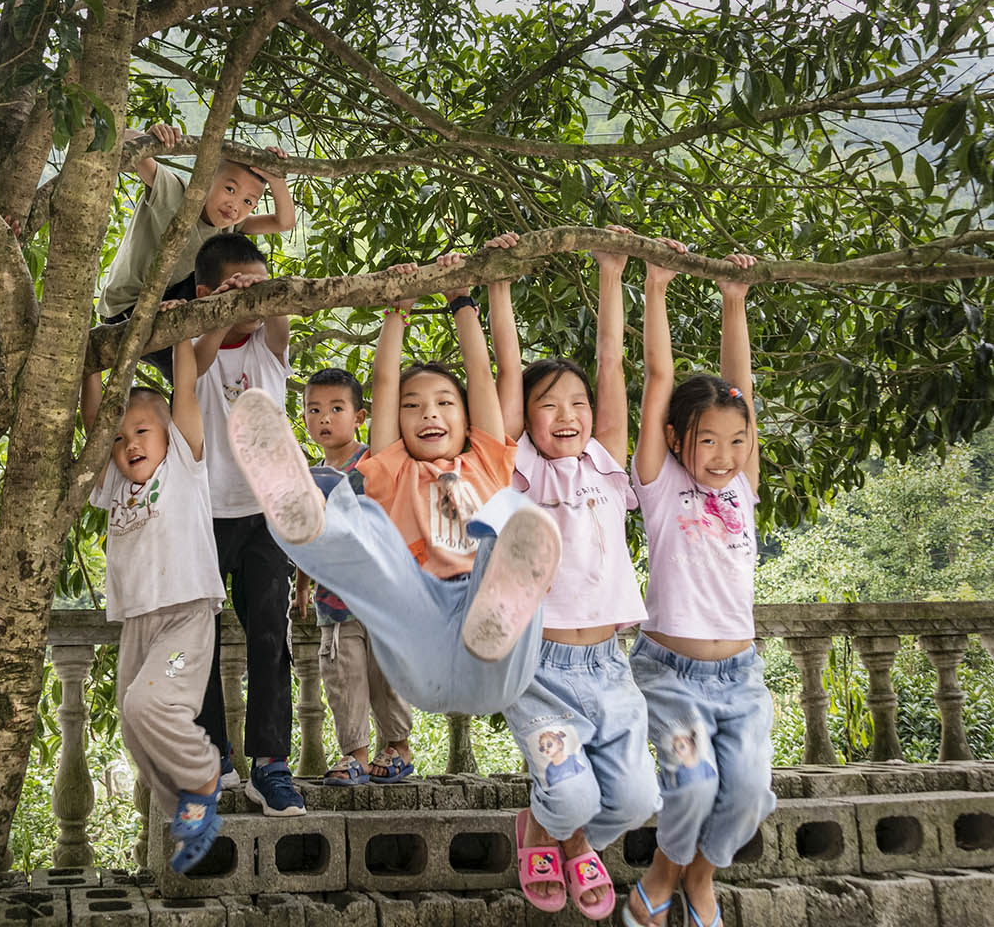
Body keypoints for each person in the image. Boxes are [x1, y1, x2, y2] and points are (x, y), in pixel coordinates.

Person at [223, 244, 561, 721]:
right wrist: (396, 309)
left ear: (468, 419)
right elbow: (384, 381)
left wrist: (462, 300)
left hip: (495, 650)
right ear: (395, 423)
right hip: (418, 623)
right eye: (412, 405)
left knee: (512, 512)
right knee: (361, 519)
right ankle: (306, 510)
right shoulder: (392, 467)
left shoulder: (486, 460)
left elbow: (483, 373)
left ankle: (499, 598)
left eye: (445, 402)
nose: (429, 412)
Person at [488, 227, 675, 920]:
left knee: (634, 801)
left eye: (576, 404)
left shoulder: (606, 460)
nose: (567, 414)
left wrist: (617, 273)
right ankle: (551, 827)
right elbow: (509, 373)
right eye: (548, 404)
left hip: (609, 666)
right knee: (571, 794)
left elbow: (612, 364)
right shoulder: (520, 470)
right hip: (538, 668)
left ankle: (556, 839)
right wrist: (498, 283)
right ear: (527, 419)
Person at [623, 252, 773, 927]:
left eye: (735, 442)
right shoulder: (659, 486)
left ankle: (701, 876)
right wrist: (655, 286)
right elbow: (658, 379)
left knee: (747, 794)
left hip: (742, 680)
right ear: (678, 440)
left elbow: (742, 386)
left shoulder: (743, 484)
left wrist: (733, 300)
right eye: (708, 442)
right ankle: (664, 870)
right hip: (671, 677)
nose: (723, 456)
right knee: (692, 781)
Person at [81, 336, 226, 873]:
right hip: (139, 625)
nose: (130, 444)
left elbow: (184, 388)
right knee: (131, 720)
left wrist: (185, 338)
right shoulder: (116, 480)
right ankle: (185, 810)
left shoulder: (184, 465)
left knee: (148, 705)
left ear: (168, 434)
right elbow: (94, 423)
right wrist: (91, 365)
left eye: (142, 431)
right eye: (121, 439)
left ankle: (204, 774)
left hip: (184, 621)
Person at [187, 234, 304, 817]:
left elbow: (277, 319)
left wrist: (262, 296)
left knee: (268, 639)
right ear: (206, 293)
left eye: (259, 287)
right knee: (198, 641)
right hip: (203, 514)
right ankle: (213, 757)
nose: (250, 302)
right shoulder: (192, 345)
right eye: (238, 286)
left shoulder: (269, 346)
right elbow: (201, 362)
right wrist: (217, 310)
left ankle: (271, 764)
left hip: (264, 514)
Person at [291, 368, 416, 786]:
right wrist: (302, 588)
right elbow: (307, 537)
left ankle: (397, 746)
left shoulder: (374, 462)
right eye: (314, 409)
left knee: (387, 674)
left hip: (384, 597)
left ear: (360, 416)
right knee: (343, 676)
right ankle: (355, 755)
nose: (324, 418)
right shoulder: (308, 478)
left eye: (336, 409)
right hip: (333, 601)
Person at [97, 123, 295, 381]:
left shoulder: (231, 223)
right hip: (126, 310)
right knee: (193, 375)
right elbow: (120, 137)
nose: (234, 206)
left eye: (248, 202)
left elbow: (284, 222)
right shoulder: (175, 193)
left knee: (233, 274)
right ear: (205, 176)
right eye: (230, 189)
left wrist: (276, 179)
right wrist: (151, 138)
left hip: (172, 304)